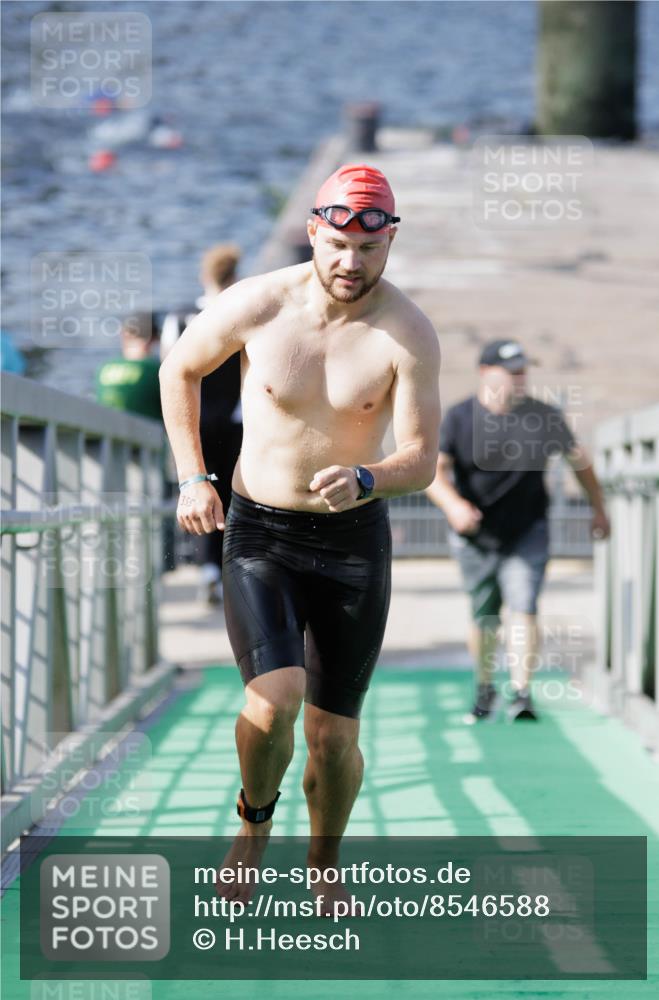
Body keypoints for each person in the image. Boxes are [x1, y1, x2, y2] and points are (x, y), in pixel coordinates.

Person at [159, 163, 441, 905]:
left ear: (389, 245)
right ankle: (252, 824)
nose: (351, 264)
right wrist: (193, 475)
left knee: (333, 736)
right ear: (315, 232)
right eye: (339, 246)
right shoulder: (258, 303)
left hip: (352, 543)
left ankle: (323, 861)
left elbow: (420, 458)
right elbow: (179, 368)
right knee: (274, 698)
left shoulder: (406, 332)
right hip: (261, 533)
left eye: (368, 251)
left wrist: (370, 476)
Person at [426, 339, 610, 723]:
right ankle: (484, 687)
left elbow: (580, 463)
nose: (519, 378)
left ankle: (522, 692)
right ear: (484, 373)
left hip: (529, 529)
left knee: (524, 605)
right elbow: (434, 473)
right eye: (511, 371)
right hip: (474, 534)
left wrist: (599, 509)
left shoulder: (544, 416)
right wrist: (454, 506)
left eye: (523, 371)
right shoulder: (460, 417)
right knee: (485, 614)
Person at [161, 244, 243, 605]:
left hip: (194, 420)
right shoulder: (240, 313)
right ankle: (227, 570)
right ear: (234, 275)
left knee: (198, 491)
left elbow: (170, 368)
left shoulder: (179, 316)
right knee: (232, 493)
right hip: (235, 420)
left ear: (204, 275)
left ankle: (207, 568)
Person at [95, 312, 161, 420]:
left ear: (124, 334)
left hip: (104, 431)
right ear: (154, 338)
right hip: (144, 434)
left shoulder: (103, 368)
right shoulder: (156, 370)